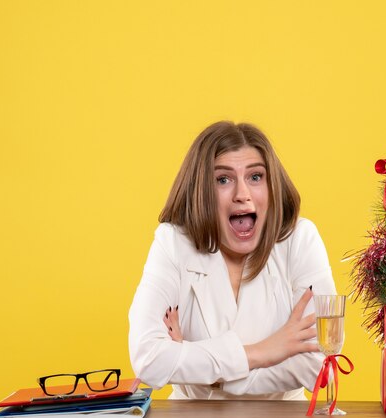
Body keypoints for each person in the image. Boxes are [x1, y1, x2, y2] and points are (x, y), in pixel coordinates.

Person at [128, 121, 337, 400]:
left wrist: (205, 375)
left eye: (255, 177)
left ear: (271, 185)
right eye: (223, 180)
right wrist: (263, 352)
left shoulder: (300, 239)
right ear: (201, 191)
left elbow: (318, 364)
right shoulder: (173, 242)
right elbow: (149, 359)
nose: (242, 195)